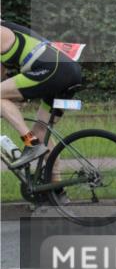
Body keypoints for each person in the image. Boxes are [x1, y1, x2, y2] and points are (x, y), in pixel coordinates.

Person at [1, 19, 83, 169]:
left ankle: (31, 145)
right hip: (69, 71)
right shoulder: (9, 28)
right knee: (40, 130)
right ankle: (56, 189)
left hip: (53, 69)